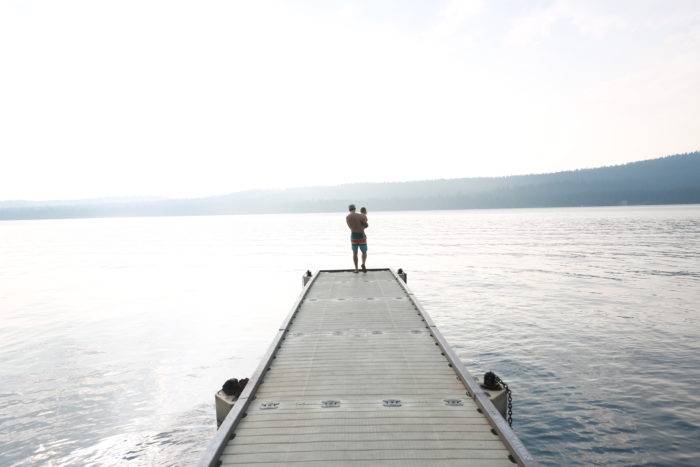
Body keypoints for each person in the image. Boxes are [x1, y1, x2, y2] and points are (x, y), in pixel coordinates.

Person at [346, 204, 368, 273]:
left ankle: (356, 269)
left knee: (355, 253)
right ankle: (363, 264)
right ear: (355, 209)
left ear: (349, 210)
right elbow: (366, 225)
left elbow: (350, 227)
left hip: (353, 236)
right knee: (364, 252)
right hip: (361, 235)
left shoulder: (347, 217)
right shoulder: (360, 215)